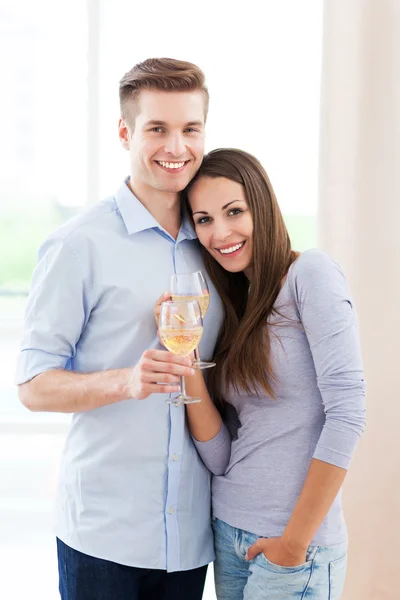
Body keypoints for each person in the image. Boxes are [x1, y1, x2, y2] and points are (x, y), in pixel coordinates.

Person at [15, 58, 223, 600]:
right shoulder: (78, 245)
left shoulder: (221, 242)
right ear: (125, 132)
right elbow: (33, 386)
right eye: (158, 128)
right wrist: (127, 383)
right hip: (103, 535)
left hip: (190, 538)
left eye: (190, 129)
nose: (176, 146)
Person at [161, 148, 367, 599]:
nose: (221, 233)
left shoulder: (309, 274)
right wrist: (188, 359)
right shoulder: (238, 307)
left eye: (234, 211)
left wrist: (294, 543)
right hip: (229, 534)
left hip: (294, 549)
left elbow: (349, 412)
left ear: (263, 206)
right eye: (204, 219)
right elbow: (222, 457)